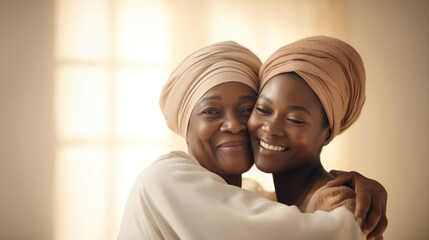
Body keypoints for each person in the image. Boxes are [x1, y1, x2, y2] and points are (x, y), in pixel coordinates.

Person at [117, 41, 385, 239]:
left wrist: (350, 186)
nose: (234, 125)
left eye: (246, 109)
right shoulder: (164, 178)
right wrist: (354, 221)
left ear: (327, 132)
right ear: (185, 126)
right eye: (211, 111)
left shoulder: (259, 198)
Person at [248, 36, 387, 239]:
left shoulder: (341, 212)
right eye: (262, 109)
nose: (270, 128)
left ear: (327, 133)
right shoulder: (263, 200)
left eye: (295, 119)